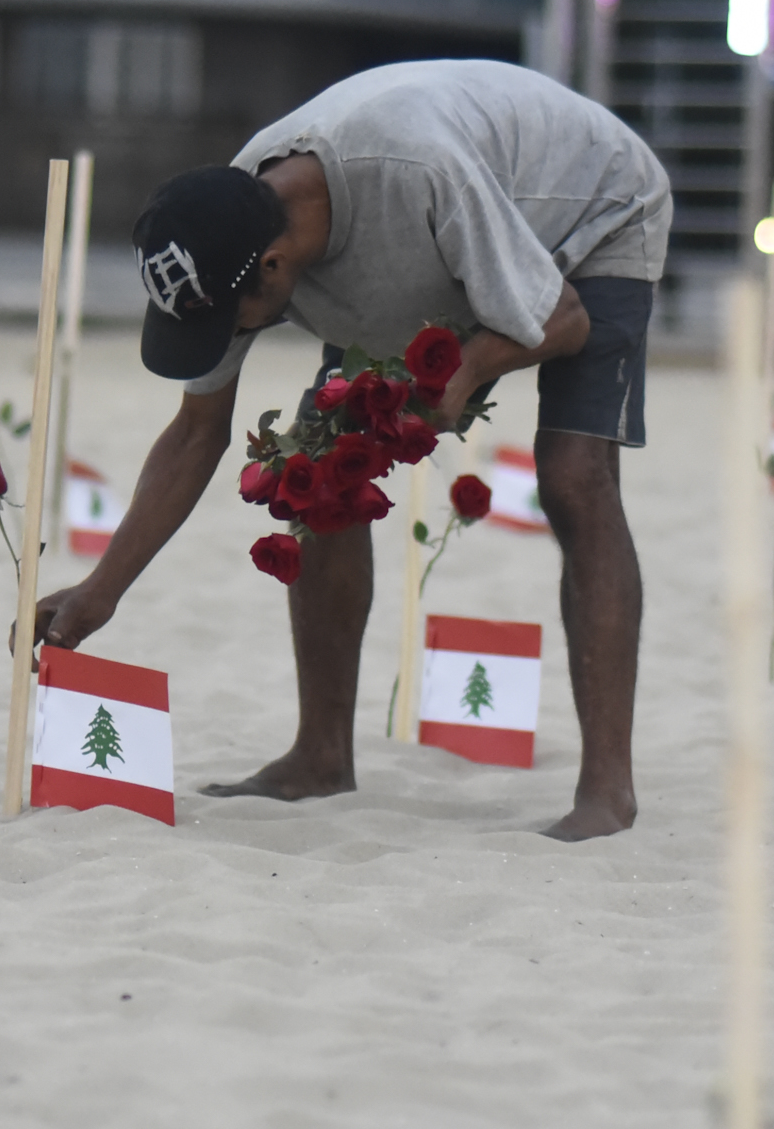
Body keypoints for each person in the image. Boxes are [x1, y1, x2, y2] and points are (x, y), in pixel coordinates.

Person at [33, 59, 672, 842]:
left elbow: (562, 319)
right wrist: (104, 587)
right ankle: (319, 757)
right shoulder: (226, 220)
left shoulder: (419, 173)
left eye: (227, 323)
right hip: (426, 259)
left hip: (591, 206)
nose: (224, 340)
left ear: (274, 270)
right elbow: (198, 432)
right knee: (318, 472)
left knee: (574, 478)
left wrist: (467, 368)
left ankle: (608, 791)